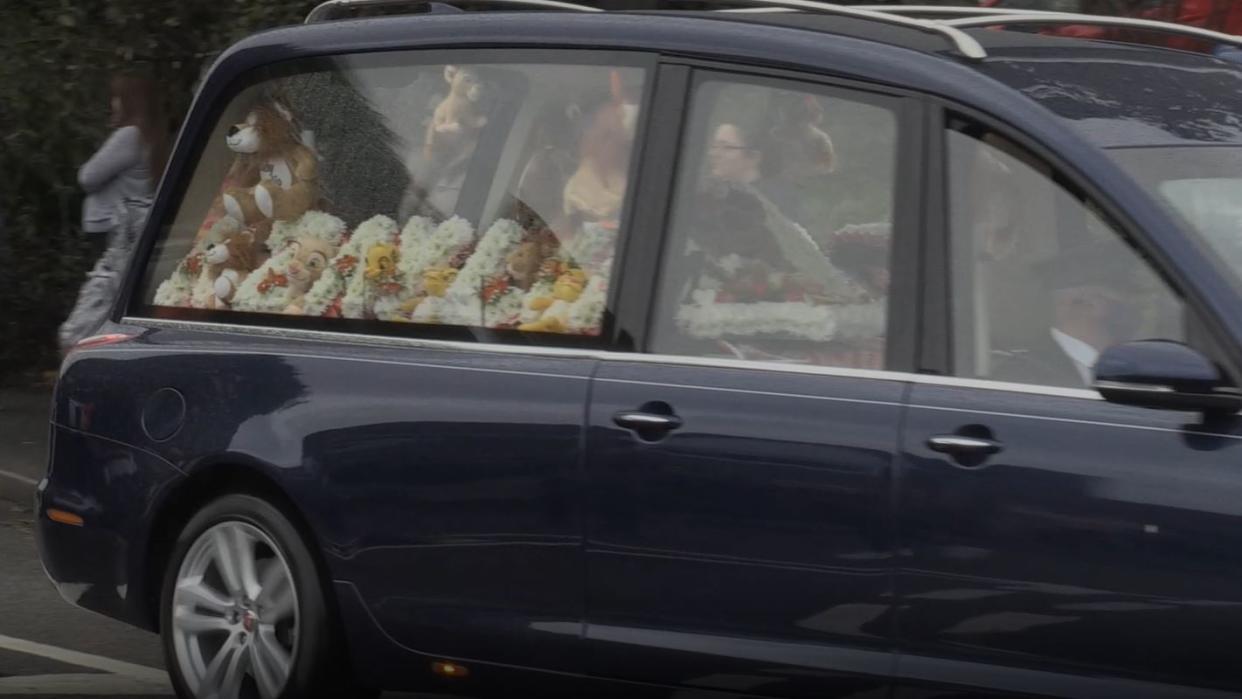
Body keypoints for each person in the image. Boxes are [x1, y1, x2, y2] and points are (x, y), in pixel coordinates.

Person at [992, 242, 1143, 388]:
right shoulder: (1021, 379)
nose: (1138, 310)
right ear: (1089, 304)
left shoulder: (1127, 370)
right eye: (1126, 299)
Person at [77, 74, 168, 261]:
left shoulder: (128, 135)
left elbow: (88, 177)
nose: (113, 104)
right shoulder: (151, 135)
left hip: (113, 227)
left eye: (117, 98)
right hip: (130, 226)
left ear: (130, 101)